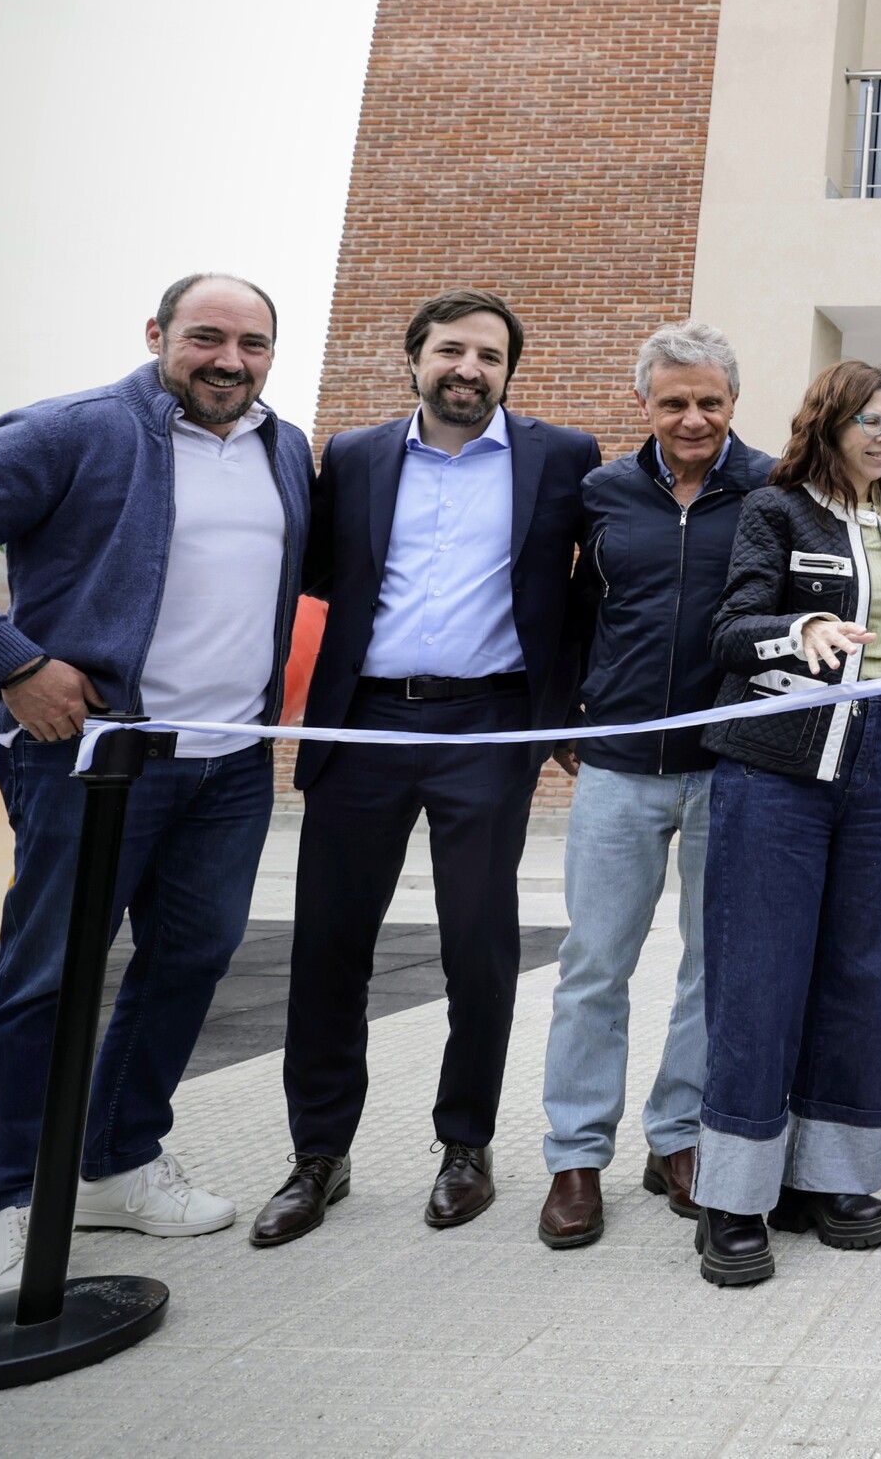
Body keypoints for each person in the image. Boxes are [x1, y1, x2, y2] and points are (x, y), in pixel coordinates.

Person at [0, 275, 311, 1295]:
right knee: (46, 980)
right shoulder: (73, 429)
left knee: (191, 960)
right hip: (92, 762)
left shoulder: (287, 451)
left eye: (252, 344)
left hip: (229, 764)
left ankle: (116, 1162)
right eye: (206, 337)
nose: (228, 361)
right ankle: (17, 1202)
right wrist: (15, 662)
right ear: (157, 335)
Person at [258, 290, 598, 1246]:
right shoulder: (356, 456)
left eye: (490, 356)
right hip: (363, 722)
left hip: (488, 725)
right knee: (328, 947)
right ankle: (317, 1155)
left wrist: (561, 704)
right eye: (452, 350)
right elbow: (321, 575)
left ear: (508, 371)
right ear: (413, 359)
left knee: (477, 947)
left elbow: (587, 593)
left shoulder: (561, 457)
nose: (470, 369)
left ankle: (466, 1145)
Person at [684, 360, 881, 1287]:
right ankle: (734, 1194)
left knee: (862, 972)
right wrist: (800, 631)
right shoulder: (776, 508)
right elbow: (731, 627)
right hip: (780, 762)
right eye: (869, 418)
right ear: (829, 424)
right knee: (761, 970)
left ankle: (829, 1180)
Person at [535, 322, 770, 1248]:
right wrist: (568, 711)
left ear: (732, 402)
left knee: (710, 968)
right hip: (619, 766)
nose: (693, 417)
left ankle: (678, 1138)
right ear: (645, 403)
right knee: (593, 965)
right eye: (674, 401)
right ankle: (575, 1155)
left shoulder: (769, 487)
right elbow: (562, 608)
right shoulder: (598, 491)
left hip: (728, 765)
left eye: (710, 400)